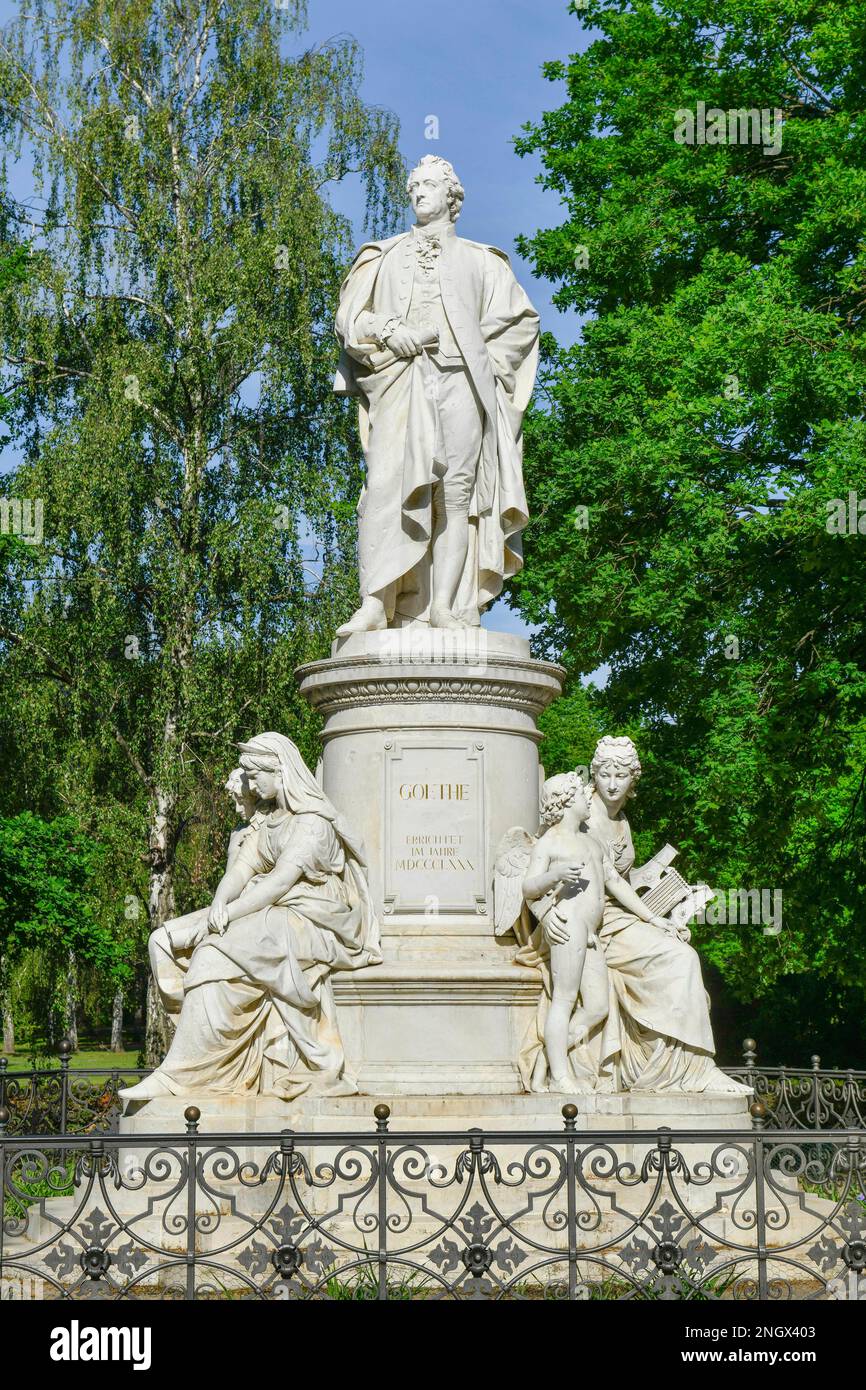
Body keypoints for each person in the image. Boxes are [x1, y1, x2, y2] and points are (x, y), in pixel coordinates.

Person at [333, 155, 539, 632]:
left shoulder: (483, 262)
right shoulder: (380, 256)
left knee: (457, 494)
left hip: (461, 383)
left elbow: (520, 323)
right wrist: (387, 329)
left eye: (429, 184)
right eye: (414, 186)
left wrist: (481, 360)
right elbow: (350, 317)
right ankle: (374, 602)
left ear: (452, 196)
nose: (418, 192)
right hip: (400, 381)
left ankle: (444, 605)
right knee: (385, 484)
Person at [120, 733, 381, 1102]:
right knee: (164, 938)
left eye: (257, 775)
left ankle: (180, 1075)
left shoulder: (312, 824)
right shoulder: (270, 819)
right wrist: (219, 904)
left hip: (316, 921)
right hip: (275, 911)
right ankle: (197, 1066)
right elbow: (242, 871)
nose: (251, 784)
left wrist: (227, 917)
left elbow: (277, 883)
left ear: (282, 773)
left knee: (213, 951)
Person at [585, 736, 750, 1094]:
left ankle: (684, 1066)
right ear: (594, 774)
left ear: (633, 780)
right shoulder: (585, 818)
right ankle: (687, 1070)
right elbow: (607, 880)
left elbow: (625, 880)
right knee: (681, 960)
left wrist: (662, 907)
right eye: (605, 774)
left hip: (623, 917)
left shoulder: (621, 820)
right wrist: (652, 918)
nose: (612, 784)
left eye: (621, 776)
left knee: (680, 948)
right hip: (599, 924)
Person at [522, 773, 671, 1094]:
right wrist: (554, 874)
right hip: (568, 928)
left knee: (598, 1007)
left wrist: (651, 917)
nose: (587, 799)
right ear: (564, 804)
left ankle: (547, 1061)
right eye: (580, 796)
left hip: (590, 933)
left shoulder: (590, 842)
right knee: (563, 1000)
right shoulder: (550, 843)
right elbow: (528, 887)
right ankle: (561, 1076)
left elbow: (616, 883)